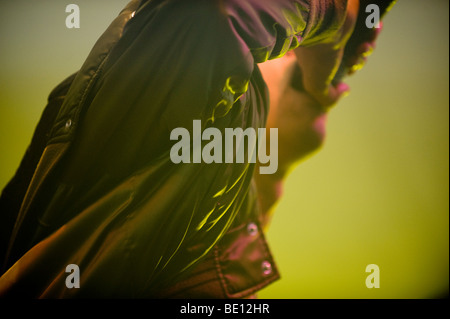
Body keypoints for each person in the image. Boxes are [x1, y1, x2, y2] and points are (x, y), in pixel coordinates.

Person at [0, 0, 380, 298]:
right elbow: (214, 15)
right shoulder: (149, 131)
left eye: (349, 72)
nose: (332, 87)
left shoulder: (208, 233)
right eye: (293, 43)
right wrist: (333, 17)